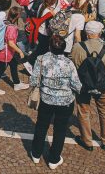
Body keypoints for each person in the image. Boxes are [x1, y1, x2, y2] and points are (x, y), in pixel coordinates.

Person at [29, 34, 82, 170]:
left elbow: (34, 80)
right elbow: (76, 84)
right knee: (60, 130)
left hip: (46, 99)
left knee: (41, 126)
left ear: (49, 47)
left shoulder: (41, 59)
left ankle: (36, 153)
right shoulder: (69, 63)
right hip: (65, 102)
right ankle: (54, 159)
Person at [71, 20, 105, 151]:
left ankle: (87, 140)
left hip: (83, 85)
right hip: (102, 86)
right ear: (99, 33)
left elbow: (73, 63)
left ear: (87, 33)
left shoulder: (78, 47)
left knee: (83, 111)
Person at [0, 6, 29, 94]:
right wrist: (20, 51)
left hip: (5, 50)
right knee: (1, 69)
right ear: (17, 16)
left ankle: (17, 83)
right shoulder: (12, 28)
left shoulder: (5, 22)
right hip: (5, 52)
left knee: (13, 64)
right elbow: (10, 43)